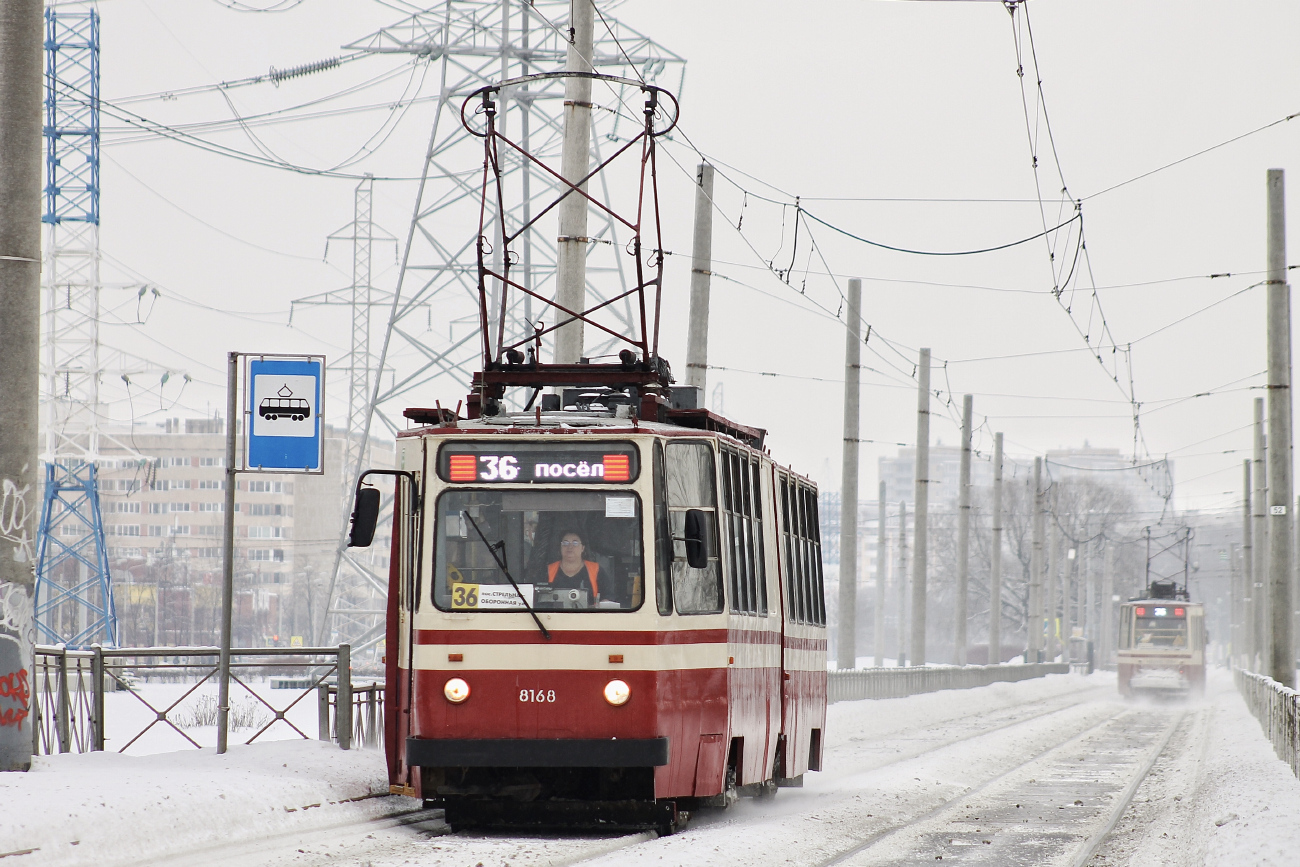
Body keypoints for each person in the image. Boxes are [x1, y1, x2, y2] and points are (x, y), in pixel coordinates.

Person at [543, 529, 603, 604]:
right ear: (560, 547)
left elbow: (608, 598)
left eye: (575, 543)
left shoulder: (596, 570)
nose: (570, 547)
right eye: (565, 543)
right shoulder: (548, 571)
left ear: (582, 548)